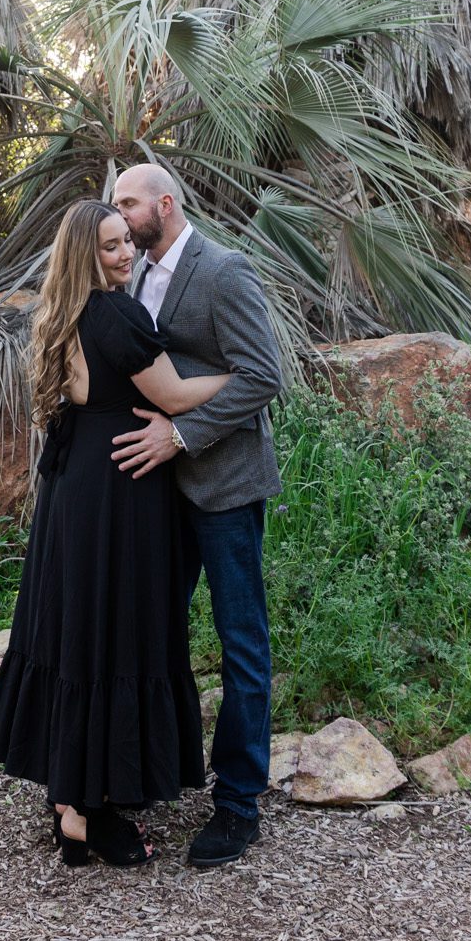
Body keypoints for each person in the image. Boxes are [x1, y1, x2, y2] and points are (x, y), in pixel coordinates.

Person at [0, 197, 229, 866]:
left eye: (126, 242)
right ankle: (88, 814)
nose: (125, 255)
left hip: (74, 489)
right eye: (110, 246)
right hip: (120, 493)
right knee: (114, 632)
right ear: (85, 255)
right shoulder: (116, 312)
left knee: (73, 630)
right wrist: (236, 376)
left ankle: (69, 800)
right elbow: (175, 398)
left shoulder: (61, 312)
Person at [110, 164, 283, 870]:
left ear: (164, 204)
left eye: (127, 203)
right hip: (153, 493)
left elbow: (262, 375)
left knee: (240, 643)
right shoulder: (128, 273)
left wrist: (181, 434)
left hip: (223, 484)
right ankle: (153, 774)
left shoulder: (223, 270)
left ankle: (238, 805)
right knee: (150, 631)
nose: (117, 216)